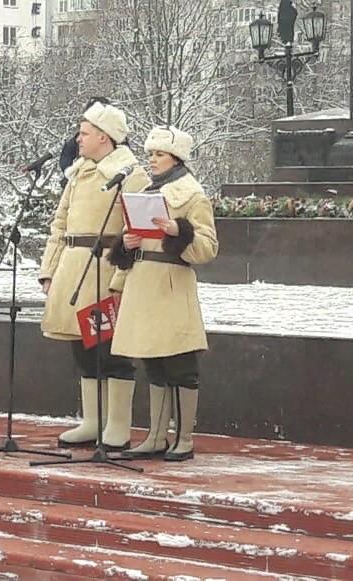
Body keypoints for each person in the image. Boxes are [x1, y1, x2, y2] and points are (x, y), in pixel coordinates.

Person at [38, 103, 150, 450]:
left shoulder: (131, 173)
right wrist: (49, 268)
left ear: (104, 137)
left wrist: (122, 272)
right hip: (73, 267)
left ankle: (117, 424)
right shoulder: (78, 173)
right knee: (81, 346)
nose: (78, 139)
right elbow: (60, 223)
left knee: (107, 347)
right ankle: (92, 420)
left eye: (84, 133)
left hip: (104, 268)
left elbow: (140, 226)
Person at [108, 126, 218, 462]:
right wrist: (125, 249)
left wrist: (177, 231)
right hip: (142, 281)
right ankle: (156, 436)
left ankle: (183, 438)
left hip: (171, 283)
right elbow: (132, 235)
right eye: (151, 153)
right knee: (152, 362)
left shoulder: (193, 195)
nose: (152, 160)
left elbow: (208, 248)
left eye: (159, 154)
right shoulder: (145, 192)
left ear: (176, 158)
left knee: (181, 363)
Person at [59, 97, 111, 189]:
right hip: (83, 179)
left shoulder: (115, 137)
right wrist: (69, 172)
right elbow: (66, 154)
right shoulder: (82, 136)